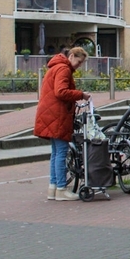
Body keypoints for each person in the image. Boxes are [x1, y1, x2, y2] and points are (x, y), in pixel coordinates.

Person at [34, 47, 91, 201]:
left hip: (49, 114)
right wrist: (81, 94)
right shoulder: (64, 69)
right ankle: (61, 188)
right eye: (79, 61)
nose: (79, 65)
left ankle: (52, 188)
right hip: (58, 115)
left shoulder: (55, 67)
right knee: (61, 152)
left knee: (55, 152)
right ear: (71, 56)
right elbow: (61, 91)